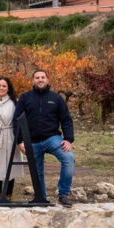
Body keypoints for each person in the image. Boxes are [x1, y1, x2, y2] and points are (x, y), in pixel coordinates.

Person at [14, 70, 75, 206]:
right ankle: (40, 197)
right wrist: (19, 141)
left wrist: (68, 139)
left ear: (47, 80)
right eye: (37, 77)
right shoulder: (25, 97)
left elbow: (66, 120)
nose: (40, 80)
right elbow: (16, 120)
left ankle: (64, 194)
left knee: (68, 159)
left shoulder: (56, 98)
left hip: (52, 138)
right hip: (32, 140)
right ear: (32, 80)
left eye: (43, 77)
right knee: (37, 171)